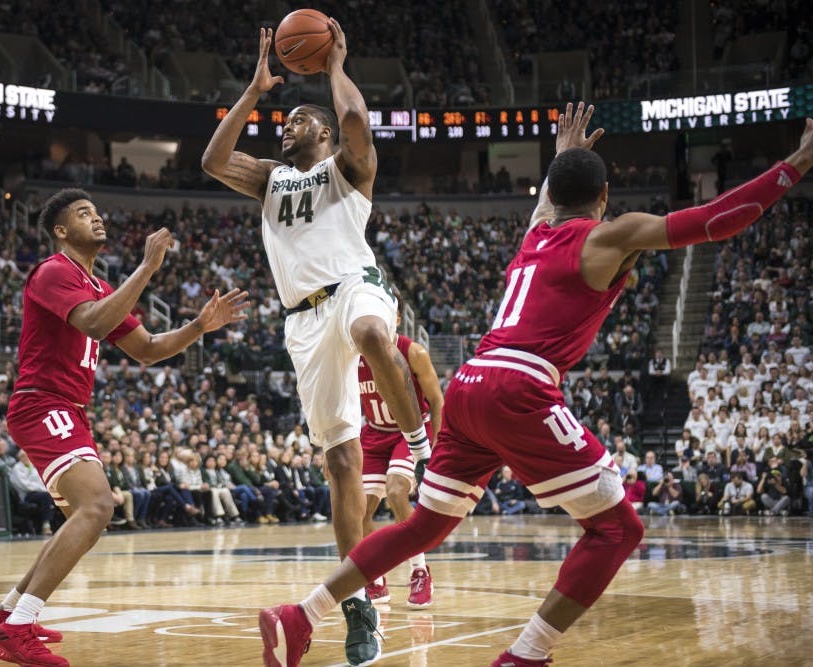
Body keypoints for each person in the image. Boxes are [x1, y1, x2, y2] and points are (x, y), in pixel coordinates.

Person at [259, 105, 813, 667]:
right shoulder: (608, 235)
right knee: (617, 530)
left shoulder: (536, 234)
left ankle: (301, 614)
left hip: (472, 381)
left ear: (553, 190)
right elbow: (719, 218)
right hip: (518, 386)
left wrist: (561, 160)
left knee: (423, 526)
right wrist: (797, 162)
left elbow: (549, 201)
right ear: (603, 198)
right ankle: (526, 656)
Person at [203, 23, 430, 666]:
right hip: (300, 322)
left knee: (369, 331)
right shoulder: (271, 179)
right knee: (341, 468)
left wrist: (334, 66)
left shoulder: (348, 169)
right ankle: (357, 605)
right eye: (286, 122)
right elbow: (213, 162)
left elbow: (356, 113)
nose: (287, 127)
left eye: (300, 120)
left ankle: (419, 448)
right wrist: (253, 92)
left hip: (352, 286)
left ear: (325, 135)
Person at [0, 188, 248, 667]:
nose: (97, 219)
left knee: (82, 514)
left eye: (98, 212)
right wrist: (146, 268)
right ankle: (18, 628)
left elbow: (147, 349)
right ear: (61, 230)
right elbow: (93, 325)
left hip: (67, 408)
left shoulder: (100, 286)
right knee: (99, 505)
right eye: (85, 214)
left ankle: (5, 615)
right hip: (42, 403)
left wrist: (197, 328)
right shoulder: (54, 271)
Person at [358, 289, 443, 609]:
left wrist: (436, 447)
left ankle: (419, 570)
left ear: (394, 319)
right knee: (361, 508)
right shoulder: (353, 356)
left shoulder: (414, 351)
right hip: (374, 434)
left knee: (396, 493)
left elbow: (436, 400)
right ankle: (376, 575)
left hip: (411, 432)